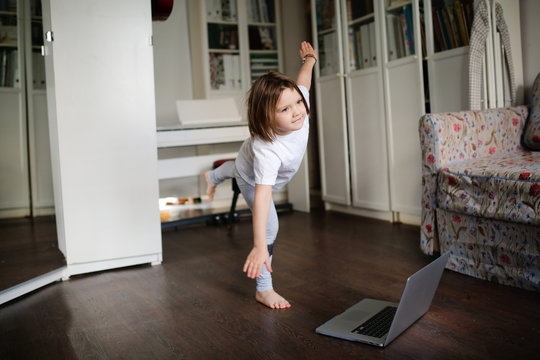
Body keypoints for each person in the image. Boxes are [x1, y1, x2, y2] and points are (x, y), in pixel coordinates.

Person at [204, 41, 317, 309]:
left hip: (245, 160)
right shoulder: (268, 150)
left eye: (297, 103)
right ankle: (264, 289)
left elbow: (303, 84)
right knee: (269, 225)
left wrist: (310, 59)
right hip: (253, 174)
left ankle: (213, 176)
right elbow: (263, 196)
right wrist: (259, 245)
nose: (297, 111)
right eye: (285, 109)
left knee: (236, 167)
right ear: (267, 118)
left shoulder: (297, 104)